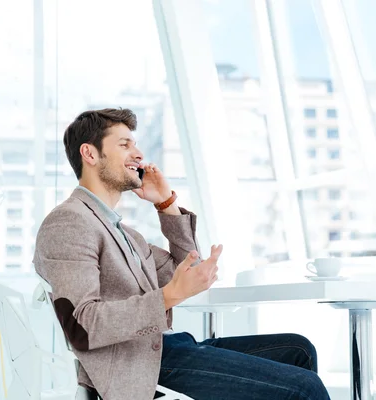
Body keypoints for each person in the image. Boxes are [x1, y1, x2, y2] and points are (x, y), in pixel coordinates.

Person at [33, 108, 330, 400]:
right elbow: (82, 326)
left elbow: (187, 269)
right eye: (124, 144)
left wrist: (165, 203)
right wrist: (167, 297)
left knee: (298, 350)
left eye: (135, 144)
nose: (138, 154)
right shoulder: (69, 222)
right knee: (304, 388)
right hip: (139, 365)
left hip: (168, 348)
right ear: (90, 154)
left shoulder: (123, 232)